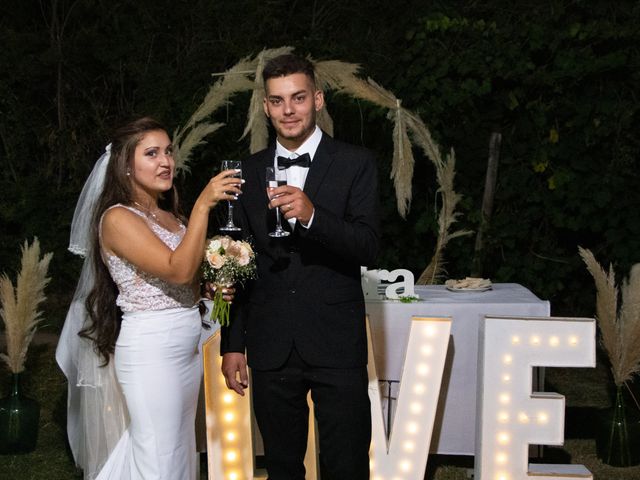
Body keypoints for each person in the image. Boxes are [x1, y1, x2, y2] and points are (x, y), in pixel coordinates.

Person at [220, 54, 380, 479]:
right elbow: (233, 265)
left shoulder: (356, 162)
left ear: (318, 100)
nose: (288, 110)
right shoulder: (246, 171)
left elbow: (368, 245)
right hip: (271, 345)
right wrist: (231, 343)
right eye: (277, 101)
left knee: (346, 465)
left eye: (298, 98)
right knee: (281, 466)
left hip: (335, 342)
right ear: (266, 107)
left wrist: (313, 216)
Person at [56, 117, 241, 480]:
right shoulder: (117, 219)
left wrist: (210, 289)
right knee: (158, 459)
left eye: (169, 151)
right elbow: (178, 269)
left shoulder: (169, 216)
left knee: (179, 455)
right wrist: (204, 204)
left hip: (185, 350)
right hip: (151, 353)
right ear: (126, 165)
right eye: (152, 153)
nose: (166, 161)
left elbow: (185, 283)